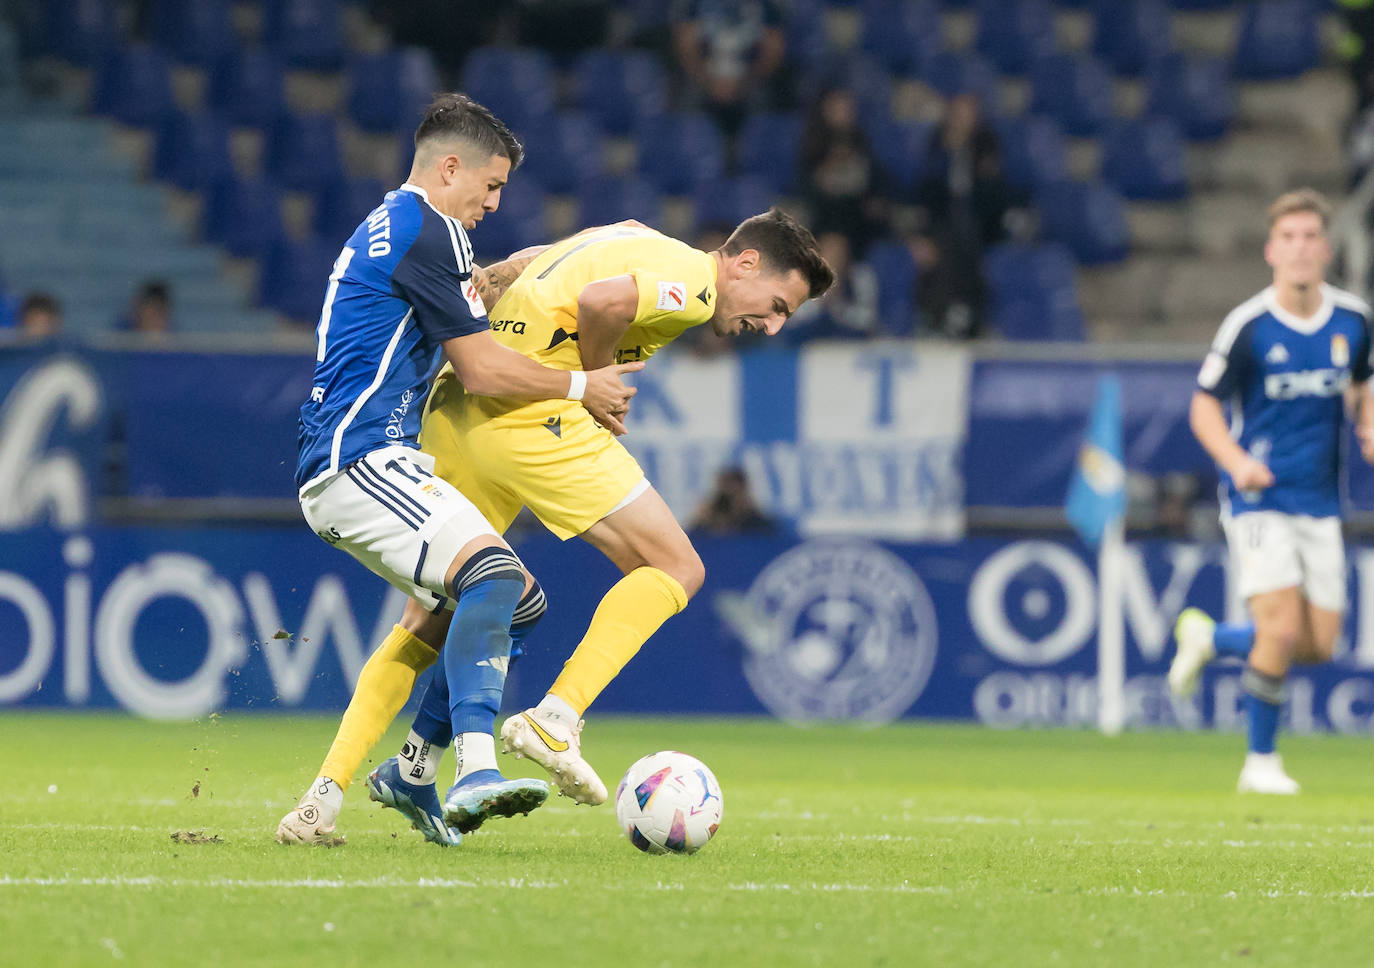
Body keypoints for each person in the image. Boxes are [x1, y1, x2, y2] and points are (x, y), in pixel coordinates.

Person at [305, 209, 832, 841]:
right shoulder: (695, 285)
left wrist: (499, 277)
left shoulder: (632, 237)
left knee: (434, 617)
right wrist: (595, 379)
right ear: (744, 262)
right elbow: (602, 300)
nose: (771, 327)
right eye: (776, 305)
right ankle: (556, 718)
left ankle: (333, 794)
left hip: (457, 411)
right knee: (675, 566)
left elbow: (538, 262)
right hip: (533, 415)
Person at [274, 92, 641, 847]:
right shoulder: (426, 231)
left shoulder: (403, 225)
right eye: (492, 185)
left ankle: (365, 788)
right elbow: (479, 371)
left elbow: (494, 278)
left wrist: (604, 238)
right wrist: (583, 386)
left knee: (518, 602)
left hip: (363, 459)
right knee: (496, 580)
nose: (494, 203)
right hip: (357, 460)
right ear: (451, 169)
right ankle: (472, 767)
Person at [1168, 188, 1374, 794]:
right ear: (1270, 250)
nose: (1301, 248)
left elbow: (1362, 384)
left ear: (1327, 248)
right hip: (1259, 498)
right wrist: (1236, 462)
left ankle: (1210, 638)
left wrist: (1367, 424)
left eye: (1311, 236)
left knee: (1317, 643)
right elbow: (1203, 406)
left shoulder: (1354, 320)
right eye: (1289, 238)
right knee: (1280, 628)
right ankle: (1260, 763)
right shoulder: (1250, 325)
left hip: (1320, 500)